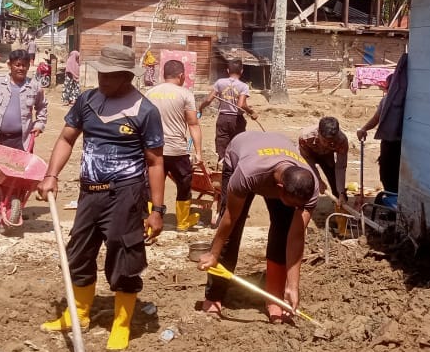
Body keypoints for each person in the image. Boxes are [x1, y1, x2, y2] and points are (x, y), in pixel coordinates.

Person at [37, 43, 166, 351]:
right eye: (100, 74)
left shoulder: (145, 111)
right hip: (89, 193)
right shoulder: (87, 101)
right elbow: (66, 138)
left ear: (126, 77)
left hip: (126, 194)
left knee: (124, 257)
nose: (102, 80)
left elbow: (155, 162)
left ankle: (121, 324)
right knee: (78, 252)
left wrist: (157, 210)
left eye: (109, 76)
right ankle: (78, 314)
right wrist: (51, 175)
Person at [198, 131, 318, 324]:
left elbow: (295, 236)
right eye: (293, 204)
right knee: (233, 231)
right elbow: (230, 218)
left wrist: (293, 286)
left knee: (283, 230)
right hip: (240, 155)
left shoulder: (309, 186)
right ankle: (214, 295)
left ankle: (275, 298)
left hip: (277, 152)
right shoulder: (248, 173)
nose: (297, 209)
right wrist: (213, 253)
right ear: (279, 191)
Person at [145, 59, 204, 231]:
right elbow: (193, 124)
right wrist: (198, 152)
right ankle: (183, 223)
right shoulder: (185, 94)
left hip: (154, 150)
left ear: (164, 75)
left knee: (152, 186)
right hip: (177, 150)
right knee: (184, 185)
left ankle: (152, 221)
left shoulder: (150, 93)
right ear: (181, 75)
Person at [0, 49, 48, 151]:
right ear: (10, 65)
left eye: (24, 65)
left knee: (19, 167)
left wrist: (40, 124)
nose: (21, 68)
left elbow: (42, 106)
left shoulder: (34, 87)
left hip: (22, 141)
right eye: (17, 65)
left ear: (28, 67)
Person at [198, 58, 257, 161]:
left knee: (222, 144)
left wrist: (200, 108)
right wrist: (251, 112)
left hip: (223, 119)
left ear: (228, 70)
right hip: (237, 120)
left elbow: (208, 99)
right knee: (238, 144)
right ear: (241, 71)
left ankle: (222, 164)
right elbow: (241, 105)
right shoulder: (243, 86)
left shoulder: (220, 82)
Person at [298, 116, 350, 234]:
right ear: (319, 133)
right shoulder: (305, 137)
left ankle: (342, 228)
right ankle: (300, 222)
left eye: (331, 141)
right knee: (305, 185)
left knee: (337, 189)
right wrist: (318, 180)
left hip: (327, 157)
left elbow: (341, 167)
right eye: (325, 141)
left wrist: (341, 192)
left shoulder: (341, 140)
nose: (328, 144)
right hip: (308, 155)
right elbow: (307, 161)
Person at [357, 74, 402, 193]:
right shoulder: (385, 101)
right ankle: (390, 199)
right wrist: (364, 129)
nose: (387, 91)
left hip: (402, 144)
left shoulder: (407, 102)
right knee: (386, 173)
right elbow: (376, 118)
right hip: (388, 142)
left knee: (398, 175)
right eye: (386, 88)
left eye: (388, 88)